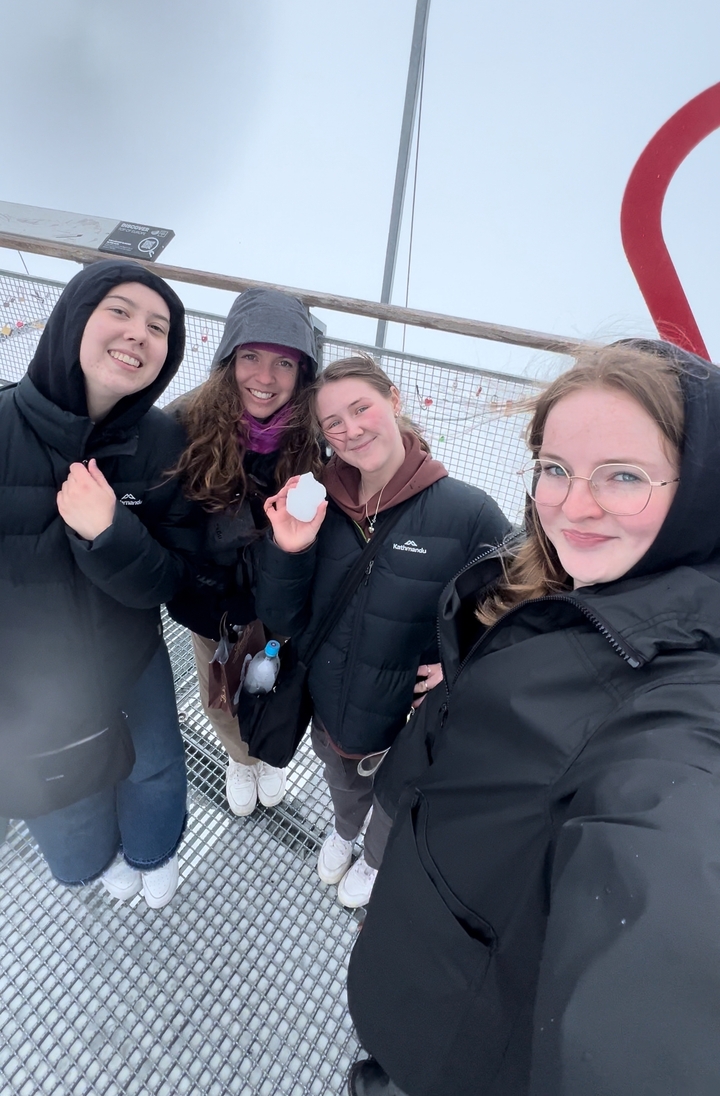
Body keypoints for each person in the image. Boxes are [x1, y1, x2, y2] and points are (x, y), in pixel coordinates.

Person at [346, 339, 720, 1096]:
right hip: (430, 943)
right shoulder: (556, 581)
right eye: (555, 468)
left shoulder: (680, 708)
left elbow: (658, 936)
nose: (573, 506)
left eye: (624, 475)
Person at [255, 355, 510, 908]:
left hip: (410, 722)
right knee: (343, 783)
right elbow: (284, 619)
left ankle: (373, 861)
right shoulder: (316, 500)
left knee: (396, 802)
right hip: (331, 711)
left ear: (393, 400)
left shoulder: (468, 514)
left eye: (361, 408)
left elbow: (524, 605)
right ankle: (345, 830)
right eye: (333, 423)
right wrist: (289, 550)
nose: (351, 430)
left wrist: (465, 664)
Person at [0, 260, 196, 910]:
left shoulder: (162, 442)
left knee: (156, 766)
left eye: (159, 327)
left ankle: (152, 851)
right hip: (27, 674)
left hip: (129, 653)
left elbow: (170, 578)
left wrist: (110, 534)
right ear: (73, 319)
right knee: (60, 787)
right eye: (119, 310)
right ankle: (93, 861)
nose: (139, 332)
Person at [167, 287, 321, 817]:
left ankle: (270, 753)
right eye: (251, 356)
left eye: (284, 362)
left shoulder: (317, 437)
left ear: (303, 373)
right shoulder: (184, 423)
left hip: (284, 600)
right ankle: (240, 758)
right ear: (229, 358)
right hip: (211, 605)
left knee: (278, 687)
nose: (265, 377)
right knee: (220, 692)